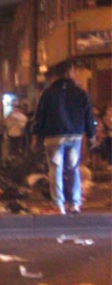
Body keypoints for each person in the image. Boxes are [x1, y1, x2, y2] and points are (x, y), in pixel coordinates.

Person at [33, 60, 96, 214]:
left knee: (55, 169)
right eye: (75, 71)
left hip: (53, 136)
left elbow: (40, 116)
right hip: (75, 135)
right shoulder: (80, 93)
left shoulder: (48, 93)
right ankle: (75, 203)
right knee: (73, 169)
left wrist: (37, 136)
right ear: (70, 72)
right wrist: (91, 135)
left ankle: (58, 204)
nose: (76, 74)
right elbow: (88, 115)